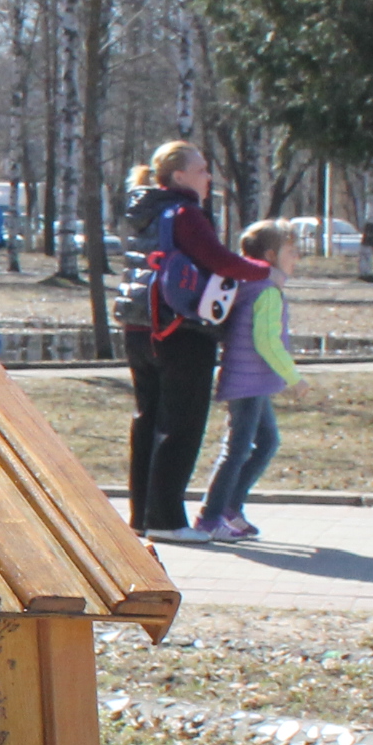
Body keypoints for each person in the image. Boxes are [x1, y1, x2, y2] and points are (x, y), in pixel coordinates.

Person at [114, 139, 270, 542]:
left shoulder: (143, 212)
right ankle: (167, 521)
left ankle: (142, 517)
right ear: (179, 175)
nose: (208, 177)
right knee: (181, 424)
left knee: (147, 421)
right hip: (179, 329)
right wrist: (263, 269)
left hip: (139, 325)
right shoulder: (185, 212)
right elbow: (219, 260)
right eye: (201, 170)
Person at [193, 221, 302, 542]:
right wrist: (294, 378)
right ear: (270, 255)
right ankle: (210, 516)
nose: (296, 257)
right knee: (238, 448)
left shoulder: (255, 286)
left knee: (266, 442)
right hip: (247, 382)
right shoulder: (266, 291)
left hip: (254, 381)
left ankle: (230, 507)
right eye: (291, 251)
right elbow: (267, 342)